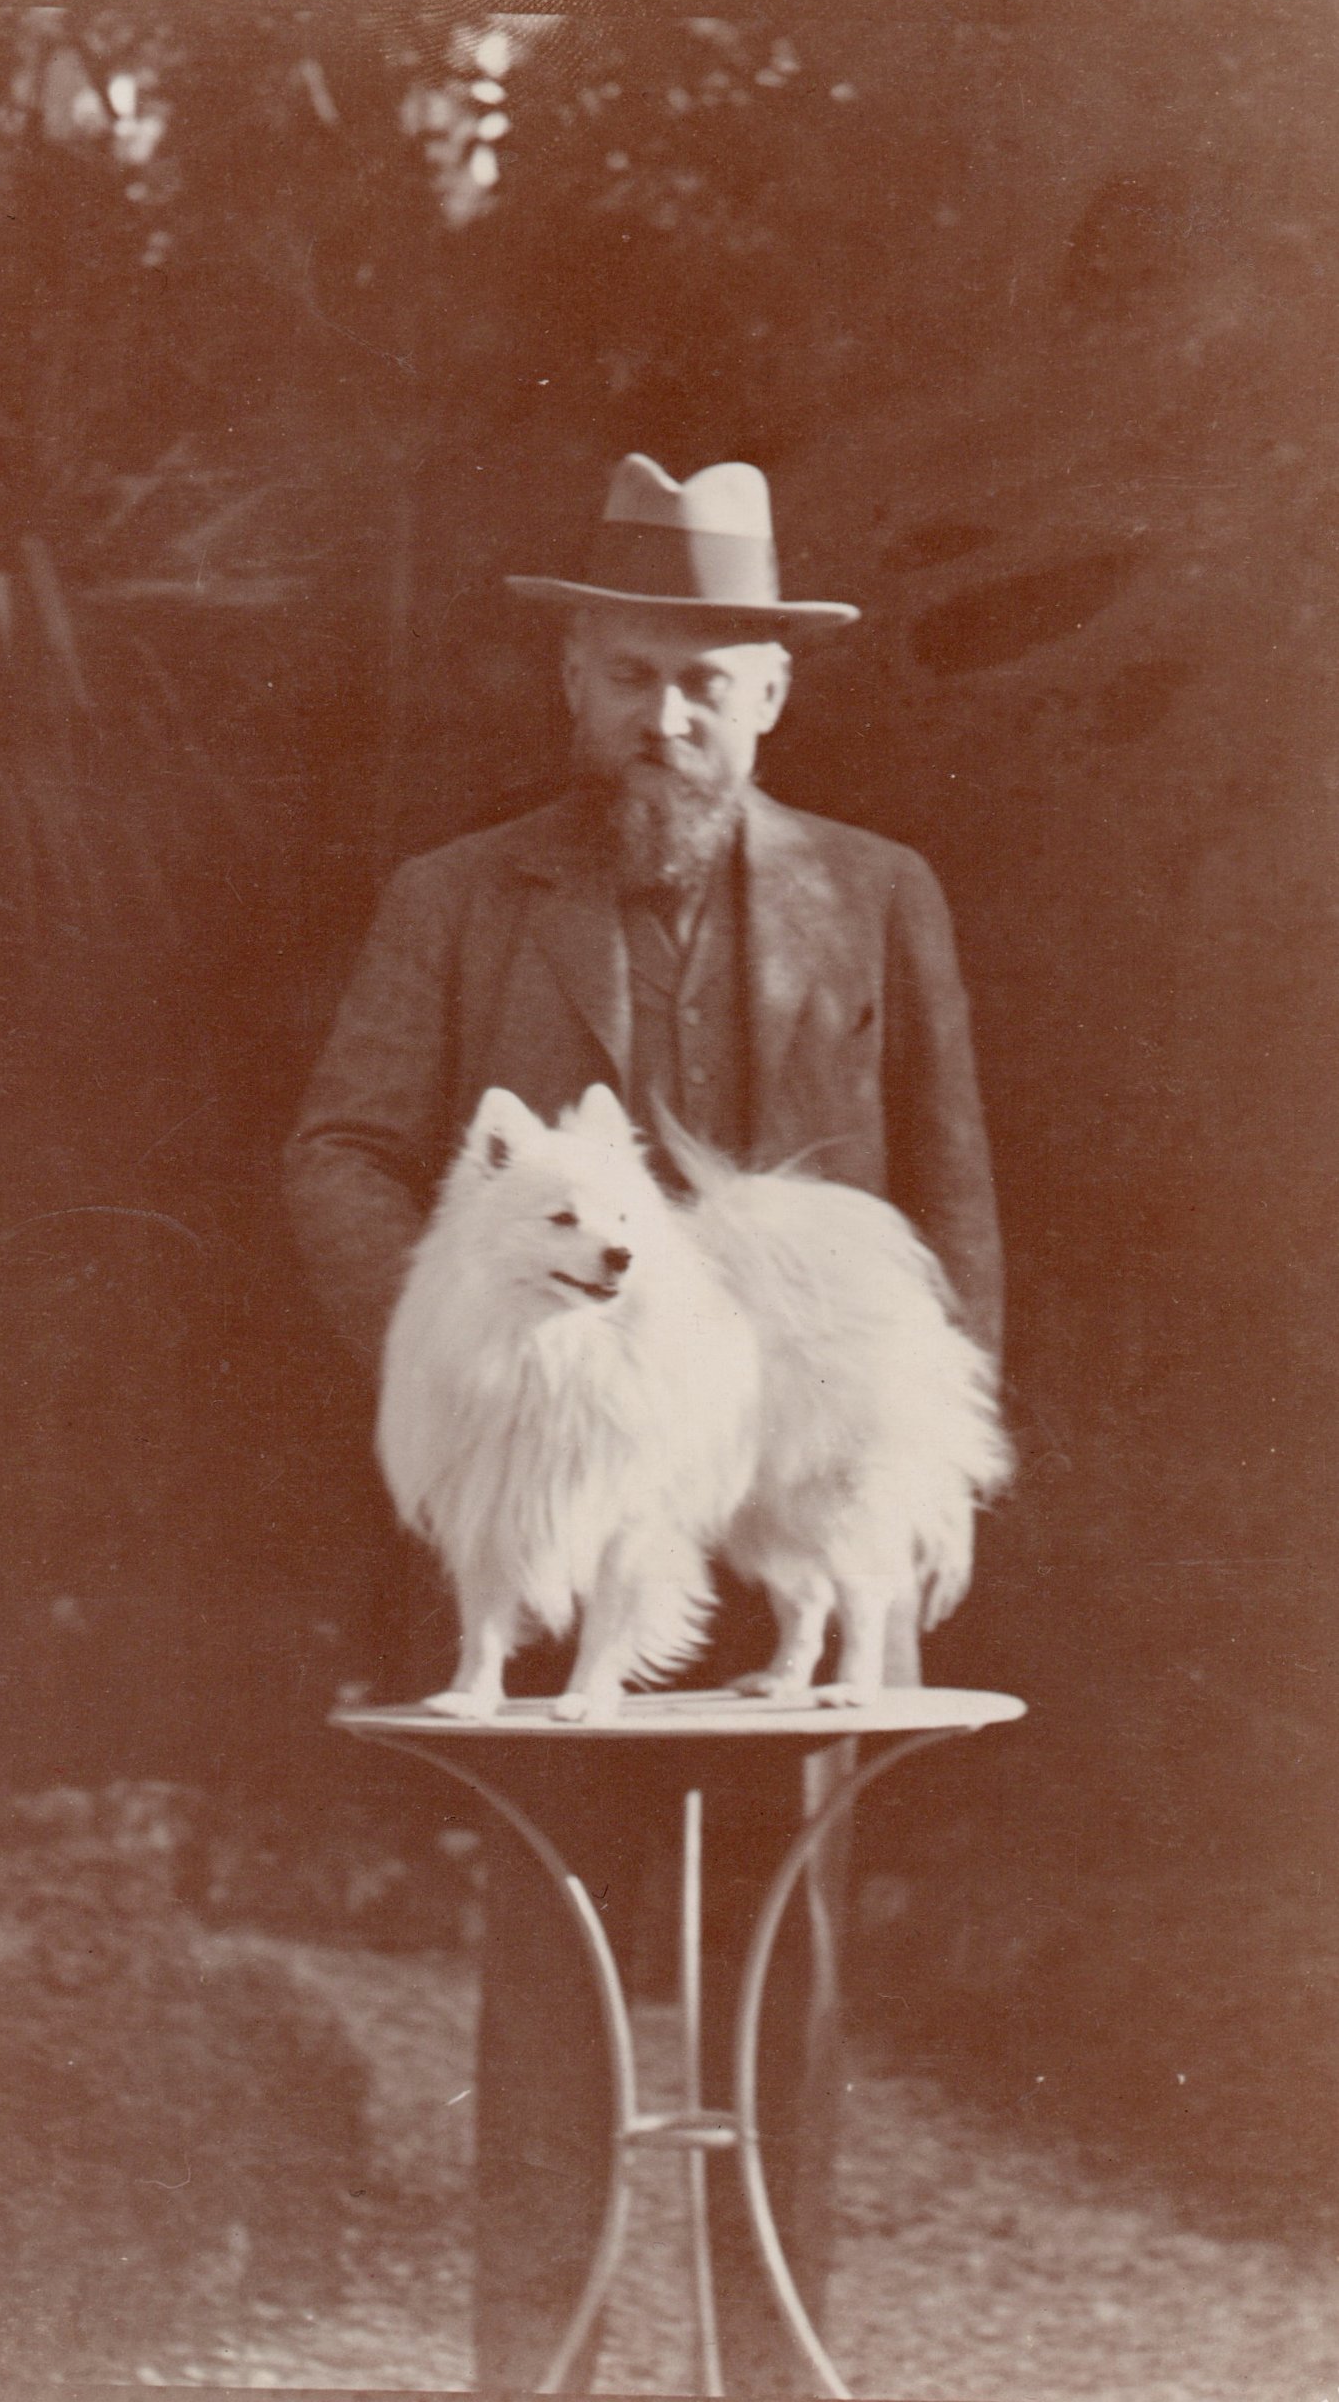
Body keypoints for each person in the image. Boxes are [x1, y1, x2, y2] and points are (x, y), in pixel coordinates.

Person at [285, 453, 1003, 2389]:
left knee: (797, 1999)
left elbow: (949, 1205)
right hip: (560, 1507)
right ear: (571, 685)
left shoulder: (879, 896)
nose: (666, 719)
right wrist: (454, 1355)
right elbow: (344, 1149)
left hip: (795, 1494)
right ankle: (549, 2368)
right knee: (557, 1990)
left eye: (709, 678)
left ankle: (775, 2375)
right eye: (628, 675)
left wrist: (922, 1490)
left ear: (774, 689)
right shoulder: (455, 901)